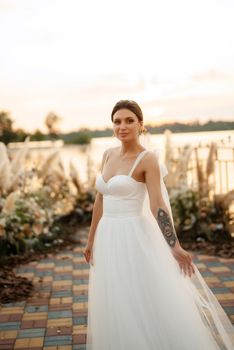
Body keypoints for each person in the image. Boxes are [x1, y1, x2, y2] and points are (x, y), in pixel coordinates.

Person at [83, 100, 234, 350]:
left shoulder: (148, 159)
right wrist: (91, 240)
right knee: (116, 299)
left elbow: (157, 205)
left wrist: (174, 245)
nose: (122, 126)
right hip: (107, 237)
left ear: (140, 125)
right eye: (117, 121)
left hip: (133, 236)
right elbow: (100, 199)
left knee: (140, 297)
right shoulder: (107, 154)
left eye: (129, 120)